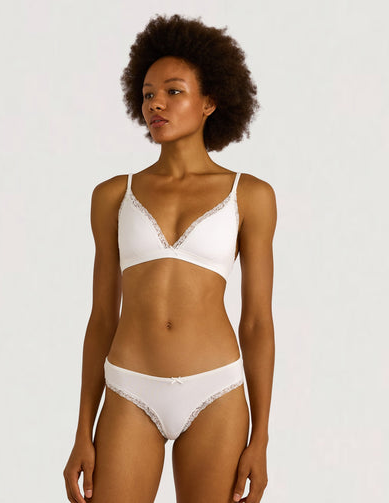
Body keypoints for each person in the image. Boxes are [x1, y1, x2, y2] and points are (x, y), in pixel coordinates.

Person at [63, 13, 277, 503]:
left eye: (173, 91)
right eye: (147, 94)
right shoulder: (113, 195)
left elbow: (257, 323)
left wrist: (261, 437)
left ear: (211, 101)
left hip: (216, 392)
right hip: (129, 390)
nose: (155, 103)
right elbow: (101, 317)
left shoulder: (251, 195)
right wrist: (82, 430)